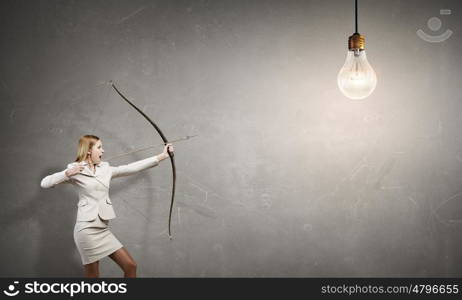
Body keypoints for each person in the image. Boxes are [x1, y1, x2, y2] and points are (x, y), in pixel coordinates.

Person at [40, 134, 174, 278]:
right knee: (93, 276)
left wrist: (162, 156)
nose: (103, 151)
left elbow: (131, 168)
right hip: (86, 230)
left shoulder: (105, 168)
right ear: (89, 150)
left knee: (130, 266)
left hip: (103, 228)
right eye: (99, 147)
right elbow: (45, 183)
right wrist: (66, 173)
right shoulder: (75, 170)